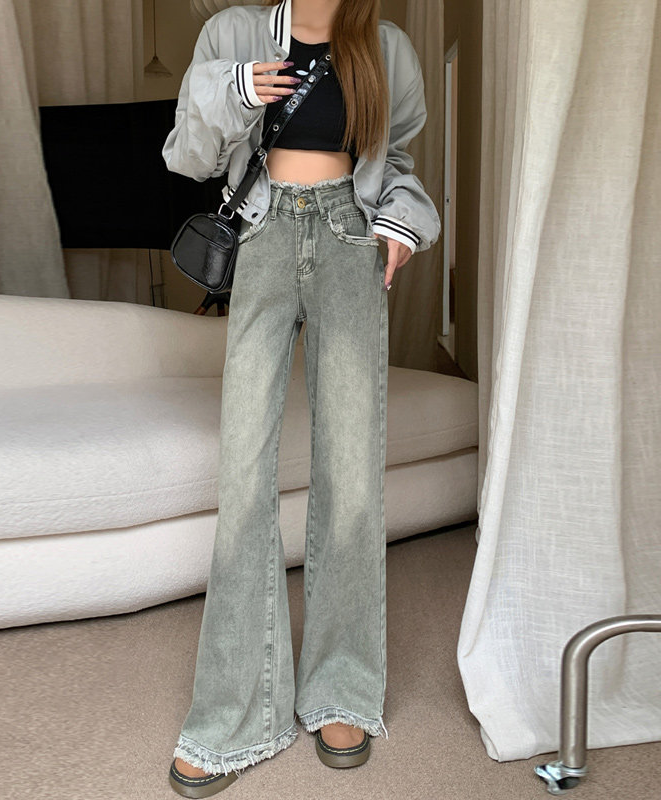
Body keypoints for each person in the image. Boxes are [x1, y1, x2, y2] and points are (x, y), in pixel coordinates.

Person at [162, 0, 440, 795]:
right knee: (244, 475)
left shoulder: (386, 47)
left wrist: (399, 221)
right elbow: (188, 155)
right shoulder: (232, 35)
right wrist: (237, 91)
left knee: (351, 473)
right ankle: (235, 712)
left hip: (351, 238)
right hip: (262, 235)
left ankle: (342, 687)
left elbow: (399, 160)